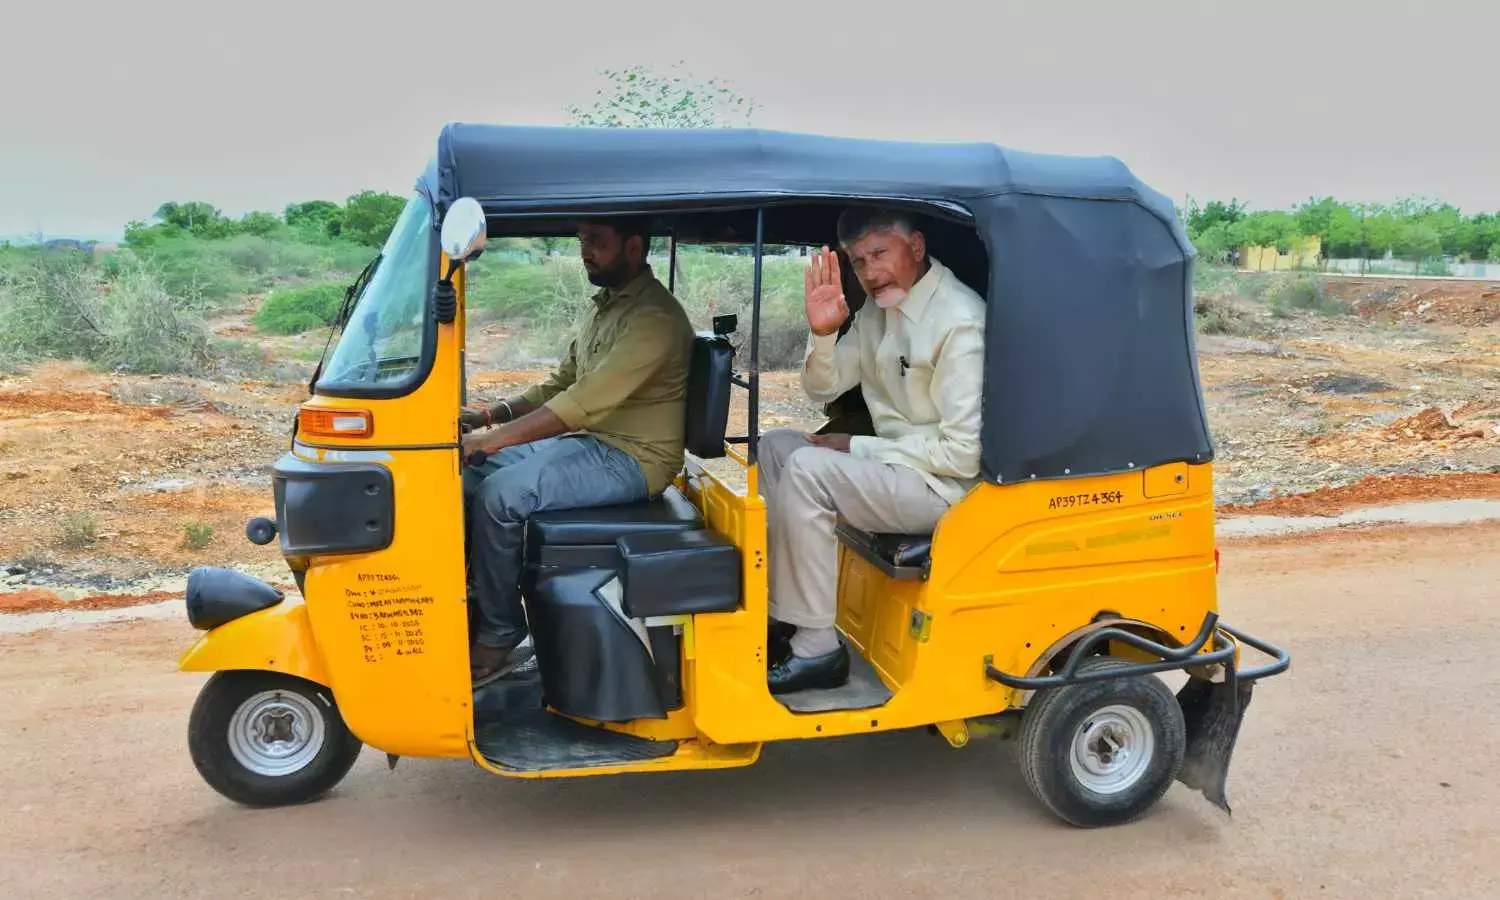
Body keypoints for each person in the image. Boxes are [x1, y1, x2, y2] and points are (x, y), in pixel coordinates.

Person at [759, 208, 986, 694]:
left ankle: (818, 649)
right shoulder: (876, 311)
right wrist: (824, 336)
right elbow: (823, 388)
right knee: (777, 448)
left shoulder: (959, 320)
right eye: (859, 261)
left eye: (880, 253)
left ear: (916, 247)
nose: (870, 272)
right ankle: (788, 615)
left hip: (944, 488)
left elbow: (963, 454)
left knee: (808, 469)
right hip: (898, 468)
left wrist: (860, 447)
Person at [459, 217, 694, 687]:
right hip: (593, 441)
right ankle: (474, 603)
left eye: (597, 243)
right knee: (465, 475)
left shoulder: (655, 320)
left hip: (633, 457)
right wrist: (489, 416)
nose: (586, 252)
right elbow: (561, 384)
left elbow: (580, 404)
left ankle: (501, 634)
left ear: (633, 246)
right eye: (583, 242)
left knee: (500, 495)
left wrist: (492, 441)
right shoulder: (606, 306)